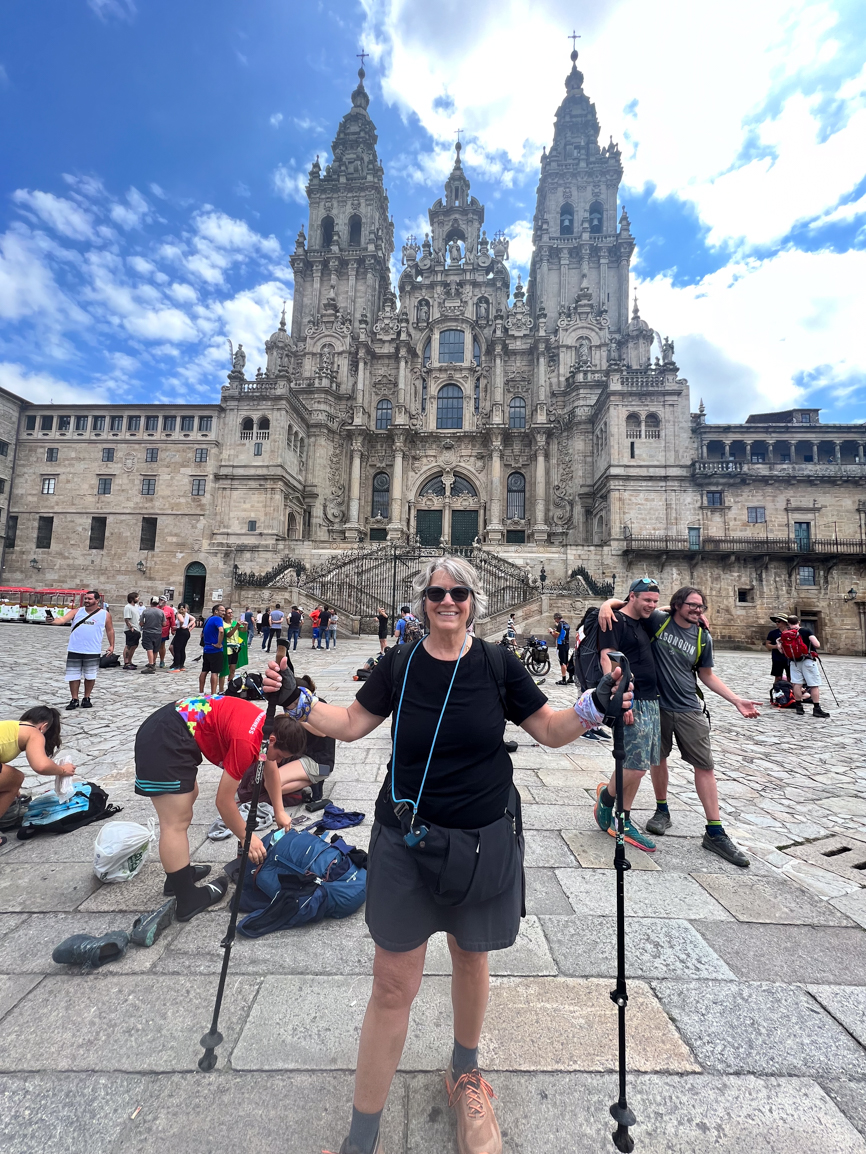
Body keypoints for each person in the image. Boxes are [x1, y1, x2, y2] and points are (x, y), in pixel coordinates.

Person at [265, 555, 632, 1154]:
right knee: (392, 984)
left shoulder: (496, 663)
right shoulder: (401, 662)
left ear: (472, 600)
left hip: (482, 840)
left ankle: (466, 1073)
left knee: (471, 957)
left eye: (458, 592)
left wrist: (597, 703)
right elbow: (353, 721)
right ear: (423, 600)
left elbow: (546, 726)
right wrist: (298, 701)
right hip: (406, 840)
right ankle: (361, 1138)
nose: (448, 600)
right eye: (437, 591)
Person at [599, 585, 761, 866]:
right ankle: (661, 810)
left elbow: (707, 675)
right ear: (676, 605)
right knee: (654, 760)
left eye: (701, 607)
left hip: (688, 707)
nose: (697, 610)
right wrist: (606, 604)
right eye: (692, 605)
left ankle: (715, 830)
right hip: (656, 705)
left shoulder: (702, 637)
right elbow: (632, 606)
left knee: (705, 765)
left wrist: (735, 699)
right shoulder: (658, 621)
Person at [133, 693, 306, 921]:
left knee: (188, 796)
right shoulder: (246, 743)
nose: (280, 760)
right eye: (282, 755)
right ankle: (187, 899)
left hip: (171, 728)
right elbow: (223, 802)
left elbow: (270, 765)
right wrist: (247, 837)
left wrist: (280, 811)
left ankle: (178, 875)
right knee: (175, 821)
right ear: (272, 740)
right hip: (164, 739)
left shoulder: (267, 726)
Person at [593, 577, 662, 852]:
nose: (652, 605)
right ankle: (608, 803)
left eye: (655, 601)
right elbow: (608, 658)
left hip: (651, 700)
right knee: (635, 766)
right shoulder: (614, 621)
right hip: (632, 700)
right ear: (632, 597)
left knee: (639, 765)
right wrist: (623, 699)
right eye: (647, 600)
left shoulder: (643, 620)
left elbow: (669, 611)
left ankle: (623, 816)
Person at [0, 707, 75, 845]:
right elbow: (41, 765)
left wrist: (10, 787)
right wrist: (63, 770)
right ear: (44, 726)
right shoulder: (34, 732)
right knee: (17, 777)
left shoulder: (12, 726)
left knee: (12, 780)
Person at [50, 589, 115, 710]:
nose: (86, 601)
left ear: (97, 600)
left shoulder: (104, 614)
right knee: (73, 675)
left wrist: (111, 645)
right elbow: (62, 619)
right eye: (85, 598)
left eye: (89, 599)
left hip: (92, 649)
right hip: (75, 648)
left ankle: (87, 697)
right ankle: (74, 699)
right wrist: (53, 621)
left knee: (90, 675)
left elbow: (110, 630)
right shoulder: (76, 611)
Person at [778, 615, 830, 718]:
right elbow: (817, 644)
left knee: (797, 683)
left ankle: (799, 706)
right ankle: (816, 708)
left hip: (794, 662)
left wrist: (778, 643)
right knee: (813, 684)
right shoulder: (806, 631)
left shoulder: (785, 634)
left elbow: (781, 650)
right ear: (799, 622)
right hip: (808, 660)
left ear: (788, 623)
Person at [218, 607, 249, 693]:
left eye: (231, 612)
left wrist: (245, 626)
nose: (231, 614)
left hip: (235, 649)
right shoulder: (223, 624)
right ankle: (221, 690)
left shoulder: (235, 623)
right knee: (224, 670)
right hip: (226, 649)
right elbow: (228, 635)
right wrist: (236, 626)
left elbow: (242, 630)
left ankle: (230, 688)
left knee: (232, 669)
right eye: (229, 613)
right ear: (225, 615)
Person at [199, 604, 225, 694]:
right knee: (215, 672)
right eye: (222, 610)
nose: (223, 612)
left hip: (207, 649)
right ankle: (213, 693)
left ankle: (201, 692)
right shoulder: (218, 619)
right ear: (216, 611)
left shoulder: (208, 619)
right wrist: (218, 643)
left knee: (204, 670)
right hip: (215, 650)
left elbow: (202, 634)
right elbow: (221, 630)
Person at [138, 597, 165, 675]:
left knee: (149, 648)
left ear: (150, 602)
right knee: (155, 649)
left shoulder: (146, 611)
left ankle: (150, 665)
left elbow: (141, 623)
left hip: (148, 632)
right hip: (158, 633)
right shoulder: (161, 612)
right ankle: (153, 663)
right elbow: (164, 624)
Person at [765, 614, 791, 687]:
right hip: (777, 658)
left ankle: (791, 692)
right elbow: (767, 645)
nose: (777, 623)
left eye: (778, 621)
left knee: (790, 677)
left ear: (784, 622)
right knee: (778, 677)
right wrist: (776, 646)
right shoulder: (773, 633)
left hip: (789, 657)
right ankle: (776, 691)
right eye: (776, 622)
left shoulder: (791, 632)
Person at [549, 612, 572, 685]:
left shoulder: (560, 624)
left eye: (555, 619)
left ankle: (563, 679)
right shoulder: (566, 624)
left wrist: (551, 632)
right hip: (567, 644)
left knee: (562, 662)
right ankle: (571, 677)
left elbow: (556, 636)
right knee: (566, 661)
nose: (555, 621)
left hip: (561, 645)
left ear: (556, 618)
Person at [171, 604, 195, 671]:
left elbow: (181, 621)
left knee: (177, 649)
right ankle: (181, 665)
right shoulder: (187, 615)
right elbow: (193, 619)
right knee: (182, 649)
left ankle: (177, 666)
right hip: (186, 632)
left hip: (181, 632)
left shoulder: (179, 615)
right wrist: (188, 626)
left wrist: (179, 626)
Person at [122, 592, 141, 670]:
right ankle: (126, 662)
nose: (138, 598)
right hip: (130, 630)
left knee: (134, 645)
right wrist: (131, 628)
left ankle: (130, 661)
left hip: (137, 628)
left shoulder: (136, 606)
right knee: (129, 646)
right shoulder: (128, 607)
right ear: (132, 599)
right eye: (137, 597)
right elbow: (127, 619)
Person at [158, 597, 176, 669]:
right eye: (160, 600)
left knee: (162, 646)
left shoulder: (169, 609)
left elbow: (172, 620)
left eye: (162, 600)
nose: (160, 601)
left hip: (164, 631)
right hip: (155, 630)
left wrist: (173, 629)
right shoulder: (156, 608)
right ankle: (152, 661)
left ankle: (162, 661)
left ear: (165, 601)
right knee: (153, 647)